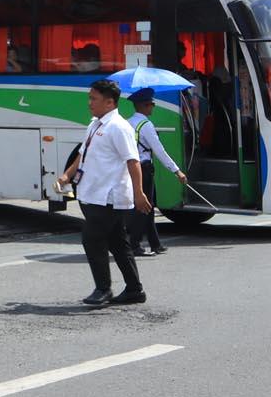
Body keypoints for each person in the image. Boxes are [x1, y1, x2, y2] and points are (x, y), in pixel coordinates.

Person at [58, 78, 150, 306]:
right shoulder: (95, 124)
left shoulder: (119, 127)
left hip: (108, 196)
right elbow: (82, 153)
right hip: (93, 193)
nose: (89, 103)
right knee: (118, 243)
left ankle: (103, 289)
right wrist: (67, 175)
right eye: (90, 97)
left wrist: (139, 193)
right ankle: (134, 289)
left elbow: (133, 161)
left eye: (94, 99)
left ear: (109, 103)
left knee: (91, 239)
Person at [128, 88, 187, 257]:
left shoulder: (128, 122)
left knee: (148, 207)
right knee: (143, 207)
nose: (153, 107)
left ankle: (155, 244)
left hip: (133, 169)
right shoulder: (146, 125)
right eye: (151, 104)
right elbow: (159, 151)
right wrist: (177, 171)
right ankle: (134, 245)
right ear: (143, 106)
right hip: (145, 170)